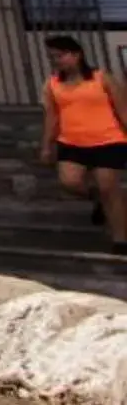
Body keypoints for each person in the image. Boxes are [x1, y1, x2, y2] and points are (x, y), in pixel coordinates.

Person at [38, 35, 127, 250]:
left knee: (109, 188)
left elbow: (123, 108)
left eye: (61, 55)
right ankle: (96, 200)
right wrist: (46, 145)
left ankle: (121, 239)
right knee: (70, 182)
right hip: (72, 142)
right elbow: (52, 117)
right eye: (53, 57)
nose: (57, 60)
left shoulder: (101, 77)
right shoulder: (52, 84)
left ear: (76, 55)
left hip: (108, 139)